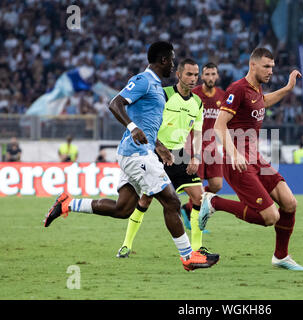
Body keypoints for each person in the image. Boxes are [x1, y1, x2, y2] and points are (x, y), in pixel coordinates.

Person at [43, 41, 218, 272]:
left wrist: (159, 145)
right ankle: (188, 257)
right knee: (172, 202)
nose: (173, 64)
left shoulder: (156, 86)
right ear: (163, 61)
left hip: (140, 152)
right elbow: (115, 103)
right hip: (138, 155)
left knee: (123, 209)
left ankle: (67, 203)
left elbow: (147, 124)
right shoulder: (143, 80)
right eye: (172, 60)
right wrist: (133, 127)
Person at [198, 47, 303, 271]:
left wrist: (287, 88)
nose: (270, 71)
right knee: (270, 217)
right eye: (266, 66)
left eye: (272, 67)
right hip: (237, 162)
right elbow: (219, 125)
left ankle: (281, 256)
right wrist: (234, 154)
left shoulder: (256, 90)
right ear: (252, 65)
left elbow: (263, 102)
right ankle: (213, 202)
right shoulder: (237, 89)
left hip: (255, 158)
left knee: (290, 203)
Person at [116, 58, 219, 260]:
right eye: (189, 74)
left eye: (196, 75)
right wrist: (157, 146)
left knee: (199, 197)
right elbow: (147, 121)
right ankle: (126, 245)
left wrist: (196, 157)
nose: (193, 79)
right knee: (145, 200)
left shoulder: (198, 103)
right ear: (178, 75)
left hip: (180, 154)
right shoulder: (163, 95)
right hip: (156, 152)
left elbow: (197, 134)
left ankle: (197, 248)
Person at [180, 62, 225, 230]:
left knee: (217, 185)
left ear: (217, 76)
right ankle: (195, 222)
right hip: (194, 145)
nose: (210, 77)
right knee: (197, 187)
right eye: (207, 74)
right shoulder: (194, 94)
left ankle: (187, 207)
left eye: (213, 74)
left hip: (212, 146)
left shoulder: (222, 96)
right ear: (202, 76)